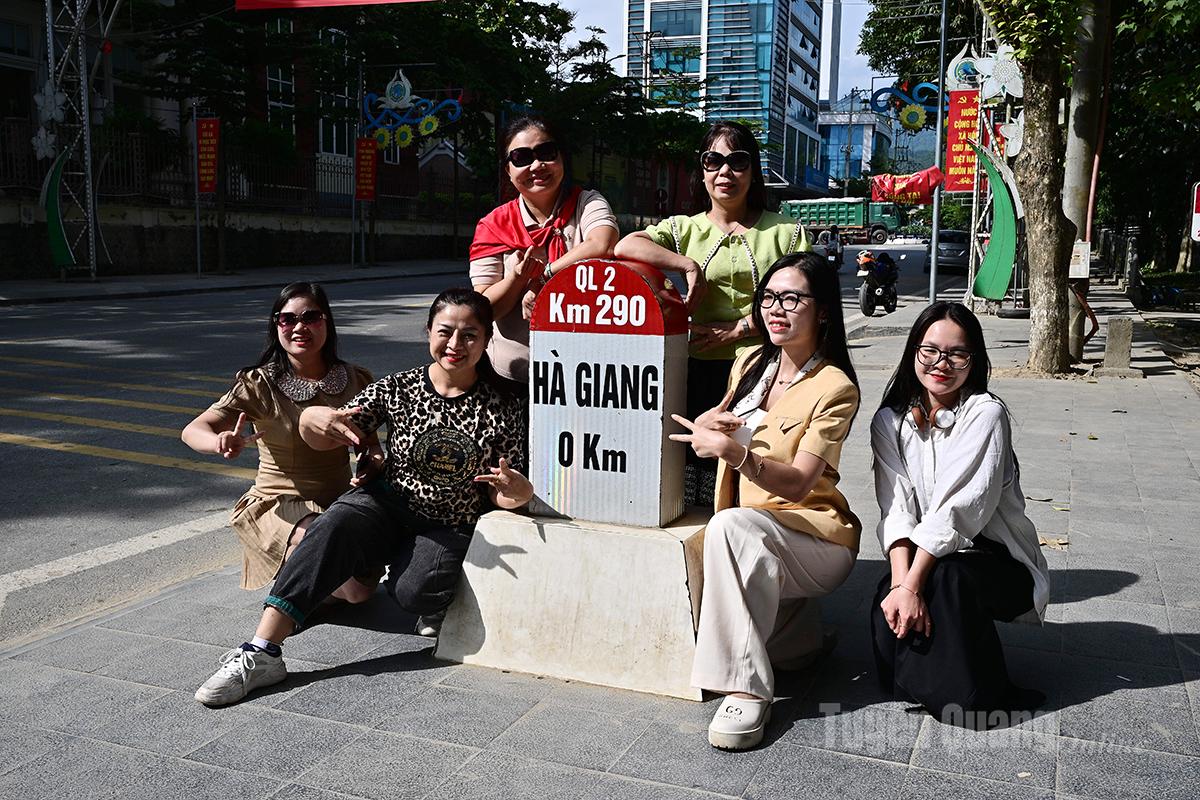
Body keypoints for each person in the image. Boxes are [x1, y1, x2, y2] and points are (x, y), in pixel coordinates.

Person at [194, 288, 532, 707]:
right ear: (428, 331)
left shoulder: (507, 404)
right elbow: (330, 427)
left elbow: (507, 493)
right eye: (446, 332)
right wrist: (316, 419)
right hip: (385, 504)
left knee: (413, 594)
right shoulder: (399, 387)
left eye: (470, 335)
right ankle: (262, 652)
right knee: (333, 524)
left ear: (486, 340)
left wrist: (516, 495)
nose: (456, 345)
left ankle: (423, 582)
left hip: (448, 524)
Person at [669, 252, 860, 751]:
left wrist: (735, 454)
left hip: (816, 536)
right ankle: (795, 639)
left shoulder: (835, 387)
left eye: (792, 298)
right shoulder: (749, 362)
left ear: (822, 310)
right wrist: (712, 424)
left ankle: (746, 690)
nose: (777, 308)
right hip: (757, 531)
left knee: (730, 529)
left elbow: (798, 484)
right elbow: (721, 416)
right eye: (770, 298)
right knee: (725, 532)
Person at [870, 301, 1050, 728]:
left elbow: (958, 512)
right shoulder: (889, 421)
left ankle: (984, 697)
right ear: (913, 350)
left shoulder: (986, 414)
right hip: (937, 552)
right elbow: (894, 507)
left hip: (1001, 563)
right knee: (888, 586)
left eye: (957, 354)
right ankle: (920, 679)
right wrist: (901, 585)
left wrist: (914, 585)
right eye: (929, 350)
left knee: (944, 578)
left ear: (975, 361)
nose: (941, 364)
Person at [615, 121, 811, 505]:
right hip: (693, 368)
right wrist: (685, 264)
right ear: (702, 170)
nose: (725, 172)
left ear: (753, 170)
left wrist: (739, 329)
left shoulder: (785, 232)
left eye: (737, 161)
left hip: (764, 371)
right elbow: (626, 245)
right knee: (692, 474)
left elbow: (805, 298)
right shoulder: (683, 229)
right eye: (713, 160)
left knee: (748, 473)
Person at [181, 282, 381, 602]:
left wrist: (372, 462)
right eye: (287, 320)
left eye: (310, 317)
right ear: (277, 328)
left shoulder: (356, 378)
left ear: (327, 322)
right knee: (348, 582)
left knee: (362, 591)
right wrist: (220, 441)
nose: (299, 327)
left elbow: (369, 444)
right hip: (281, 502)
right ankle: (297, 577)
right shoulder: (259, 383)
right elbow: (193, 429)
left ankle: (302, 579)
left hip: (340, 502)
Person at [469, 115, 619, 388]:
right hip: (513, 377)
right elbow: (483, 309)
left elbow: (603, 245)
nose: (537, 165)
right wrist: (516, 279)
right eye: (522, 157)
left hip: (583, 375)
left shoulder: (587, 203)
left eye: (546, 153)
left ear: (561, 158)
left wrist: (545, 278)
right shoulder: (493, 226)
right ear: (508, 170)